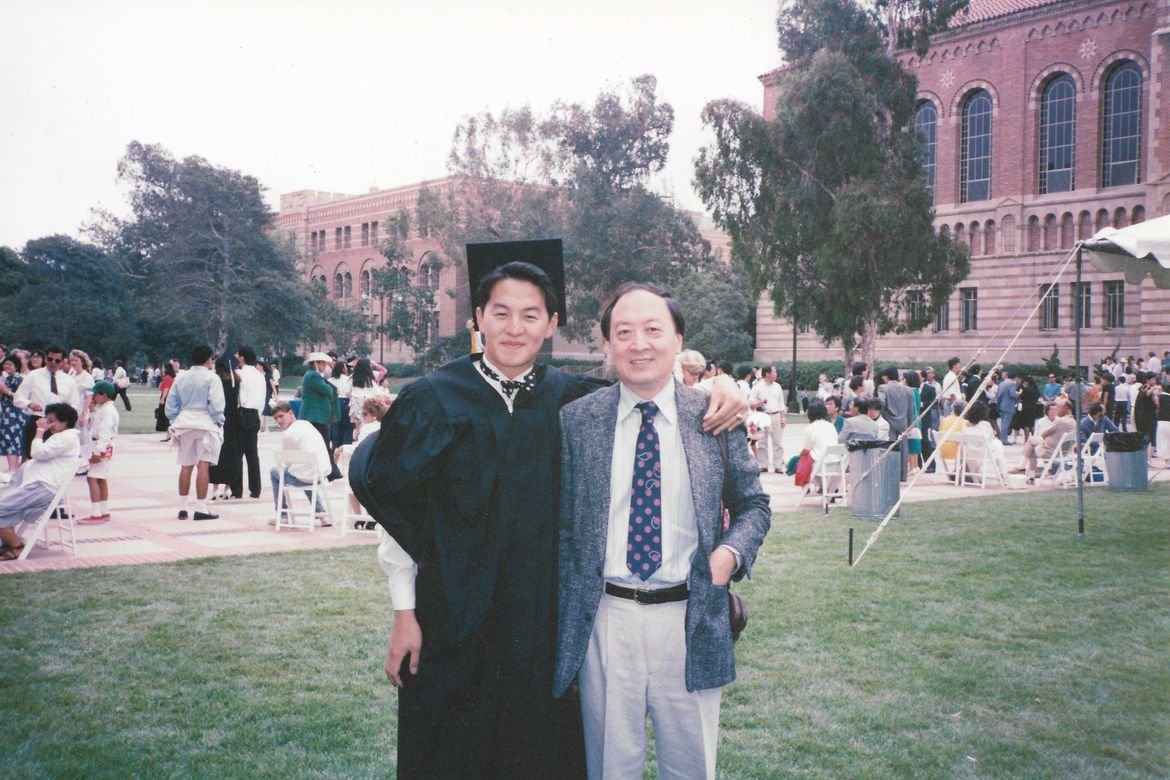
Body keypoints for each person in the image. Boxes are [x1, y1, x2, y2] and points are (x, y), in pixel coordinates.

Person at [349, 261, 748, 778]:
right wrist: (404, 612)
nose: (515, 328)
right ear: (479, 318)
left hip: (542, 626)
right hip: (452, 620)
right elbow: (400, 512)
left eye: (530, 315)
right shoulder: (432, 399)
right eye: (502, 313)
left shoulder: (572, 401)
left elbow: (647, 383)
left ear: (551, 322)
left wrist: (723, 389)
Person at [554, 282, 770, 779]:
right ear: (607, 345)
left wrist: (727, 558)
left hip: (691, 616)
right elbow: (565, 526)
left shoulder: (714, 416)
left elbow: (753, 505)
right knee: (611, 767)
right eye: (623, 332)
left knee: (692, 767)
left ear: (678, 340)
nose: (639, 344)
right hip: (607, 621)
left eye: (654, 330)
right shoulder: (578, 421)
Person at [0, 403, 80, 560]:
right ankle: (11, 543)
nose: (49, 424)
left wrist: (39, 431)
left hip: (42, 487)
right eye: (47, 420)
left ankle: (16, 546)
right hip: (36, 485)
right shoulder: (61, 437)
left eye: (52, 421)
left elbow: (37, 452)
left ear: (65, 422)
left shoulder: (66, 438)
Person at [165, 345, 225, 521]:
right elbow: (216, 404)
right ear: (208, 360)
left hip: (185, 422)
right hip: (205, 423)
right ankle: (201, 508)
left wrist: (175, 420)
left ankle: (183, 508)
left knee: (185, 465)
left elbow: (171, 403)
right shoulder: (212, 378)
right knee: (203, 465)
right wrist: (219, 420)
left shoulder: (181, 377)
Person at [13, 345, 81, 461]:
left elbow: (74, 405)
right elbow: (18, 398)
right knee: (33, 456)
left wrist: (65, 422)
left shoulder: (69, 381)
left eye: (57, 360)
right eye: (50, 359)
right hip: (38, 420)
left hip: (59, 426)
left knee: (54, 459)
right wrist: (29, 403)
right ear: (45, 359)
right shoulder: (33, 376)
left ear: (62, 362)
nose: (53, 362)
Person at [268, 401, 331, 523]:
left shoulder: (288, 434)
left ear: (291, 413)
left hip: (308, 475)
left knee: (275, 471)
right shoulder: (306, 424)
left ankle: (283, 515)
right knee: (303, 469)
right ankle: (321, 514)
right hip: (322, 473)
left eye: (281, 416)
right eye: (276, 418)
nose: (279, 421)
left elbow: (286, 462)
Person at [79, 381, 119, 524]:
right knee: (101, 478)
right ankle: (104, 511)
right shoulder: (104, 409)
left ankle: (96, 513)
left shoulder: (108, 411)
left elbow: (105, 431)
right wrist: (92, 410)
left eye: (96, 394)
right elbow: (94, 426)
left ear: (104, 395)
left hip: (101, 445)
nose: (93, 396)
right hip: (101, 444)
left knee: (92, 478)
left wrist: (98, 451)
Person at [299, 352, 342, 481]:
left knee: (322, 444)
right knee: (323, 444)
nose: (325, 366)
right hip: (316, 416)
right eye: (323, 363)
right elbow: (328, 390)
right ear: (316, 363)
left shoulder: (313, 375)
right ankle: (331, 471)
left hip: (316, 416)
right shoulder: (313, 376)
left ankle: (330, 471)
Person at [1013, 398, 1075, 481]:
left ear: (1066, 409)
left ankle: (1022, 467)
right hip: (1063, 452)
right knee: (1032, 447)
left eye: (1059, 408)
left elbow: (1044, 434)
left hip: (1049, 452)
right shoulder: (1073, 422)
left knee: (1031, 442)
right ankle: (1030, 476)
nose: (1057, 410)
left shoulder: (1061, 421)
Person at [208, 358, 243, 501]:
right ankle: (228, 487)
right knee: (231, 455)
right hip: (234, 420)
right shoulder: (236, 381)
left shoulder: (217, 381)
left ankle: (215, 487)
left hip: (220, 419)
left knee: (217, 453)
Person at [234, 346, 266, 498]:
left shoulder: (239, 374)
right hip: (254, 413)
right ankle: (256, 489)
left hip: (242, 412)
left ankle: (237, 489)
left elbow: (239, 396)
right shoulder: (260, 376)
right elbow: (262, 398)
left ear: (242, 358)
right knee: (252, 453)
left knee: (238, 452)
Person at [877, 367, 912, 481]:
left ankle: (891, 473)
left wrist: (880, 417)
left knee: (890, 447)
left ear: (886, 376)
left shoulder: (883, 388)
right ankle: (903, 475)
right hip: (904, 422)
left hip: (889, 421)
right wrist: (910, 424)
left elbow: (881, 402)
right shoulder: (907, 389)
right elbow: (911, 409)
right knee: (904, 449)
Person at [748, 365, 786, 472]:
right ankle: (762, 464)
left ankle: (778, 465)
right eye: (774, 372)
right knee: (762, 442)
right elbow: (750, 403)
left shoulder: (777, 386)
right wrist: (758, 403)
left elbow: (781, 404)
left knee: (777, 442)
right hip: (762, 416)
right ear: (767, 374)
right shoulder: (757, 387)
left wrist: (783, 418)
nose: (776, 374)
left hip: (775, 415)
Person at [0, 354, 24, 473]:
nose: (7, 366)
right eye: (5, 364)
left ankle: (12, 468)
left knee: (12, 439)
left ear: (16, 366)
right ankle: (13, 467)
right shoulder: (8, 378)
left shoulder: (18, 378)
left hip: (14, 414)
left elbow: (20, 396)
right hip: (6, 413)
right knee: (10, 439)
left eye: (10, 364)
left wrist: (6, 391)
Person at [996, 371, 1019, 444]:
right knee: (1006, 424)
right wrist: (1018, 394)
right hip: (1009, 405)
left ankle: (1002, 438)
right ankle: (1004, 440)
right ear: (1014, 378)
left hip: (1002, 405)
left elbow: (998, 394)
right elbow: (1012, 394)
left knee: (1003, 423)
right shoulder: (1012, 384)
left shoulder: (1001, 383)